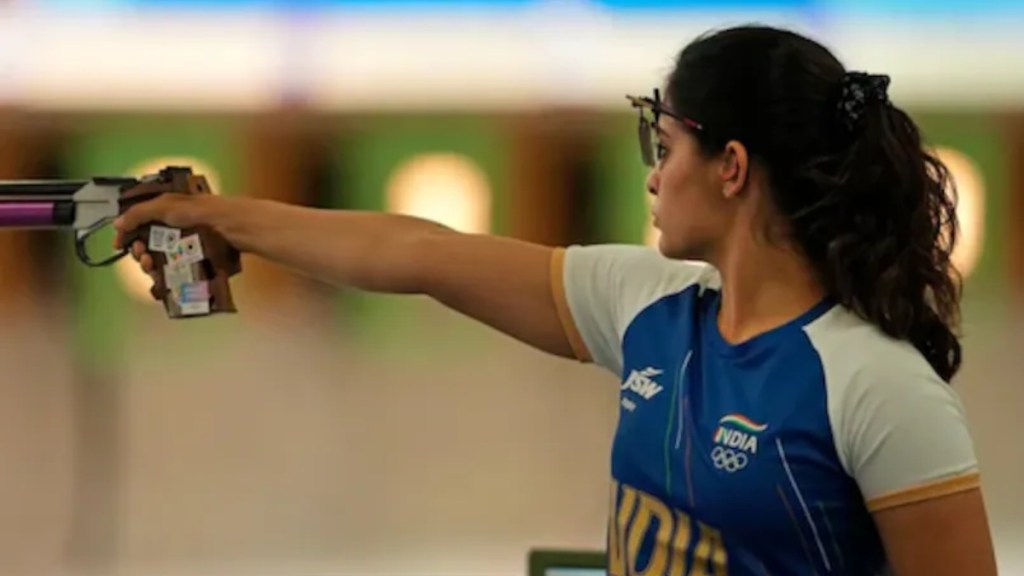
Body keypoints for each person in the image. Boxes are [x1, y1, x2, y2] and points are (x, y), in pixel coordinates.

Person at [114, 25, 998, 576]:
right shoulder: (650, 302)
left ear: (731, 167)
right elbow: (419, 252)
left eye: (668, 140)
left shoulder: (875, 385)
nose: (653, 171)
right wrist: (219, 216)